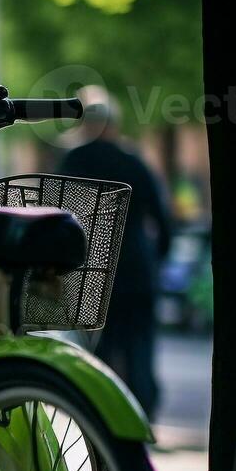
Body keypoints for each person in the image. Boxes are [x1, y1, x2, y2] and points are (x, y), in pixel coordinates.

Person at [58, 86, 174, 418]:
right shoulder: (133, 162)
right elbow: (162, 220)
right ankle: (144, 412)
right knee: (140, 346)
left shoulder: (74, 160)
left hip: (92, 271)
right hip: (137, 268)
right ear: (115, 124)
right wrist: (158, 259)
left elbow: (58, 210)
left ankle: (103, 413)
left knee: (100, 347)